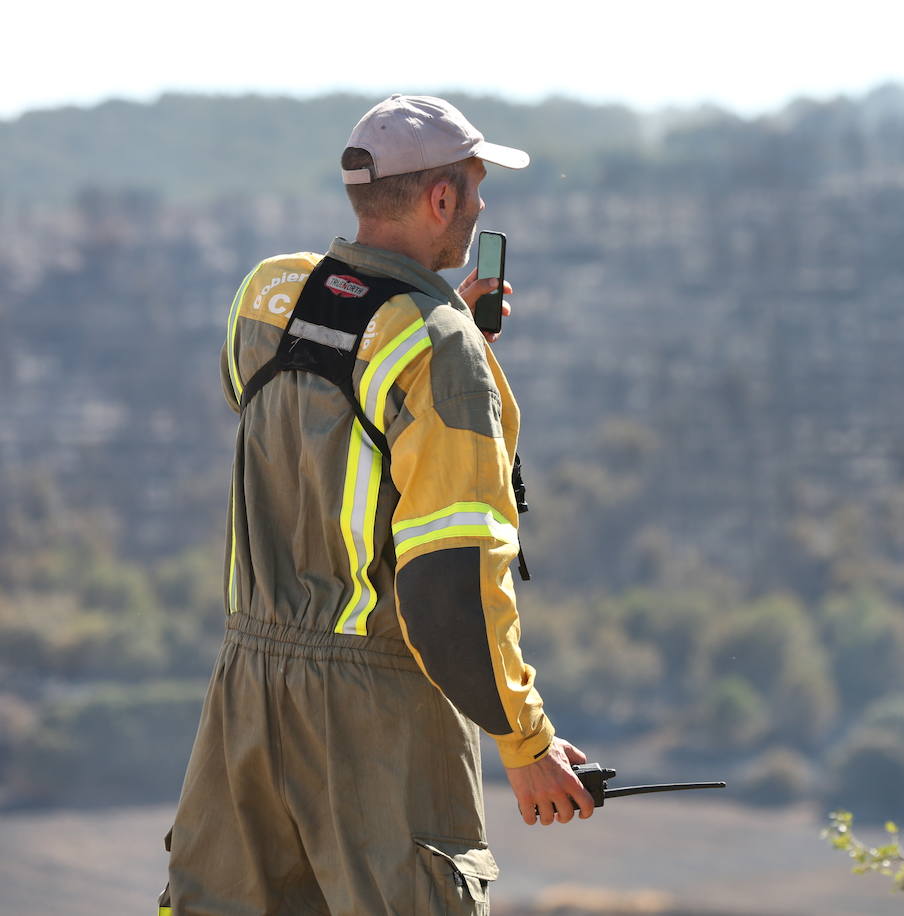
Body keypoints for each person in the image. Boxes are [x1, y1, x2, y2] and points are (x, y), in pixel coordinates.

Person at [160, 94, 594, 916]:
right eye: (473, 184)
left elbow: (299, 416)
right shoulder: (439, 351)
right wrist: (525, 741)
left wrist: (433, 326)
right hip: (377, 718)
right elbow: (449, 591)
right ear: (441, 200)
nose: (481, 203)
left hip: (246, 697)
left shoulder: (265, 297)